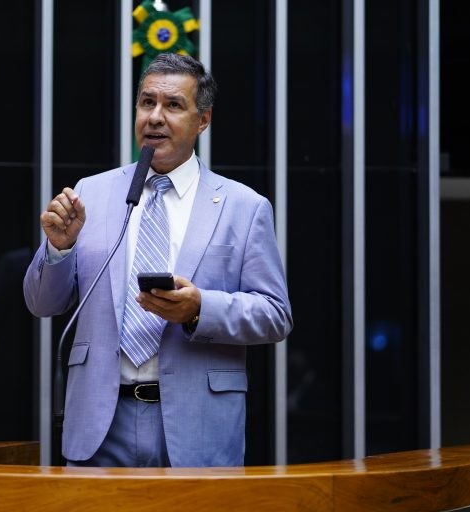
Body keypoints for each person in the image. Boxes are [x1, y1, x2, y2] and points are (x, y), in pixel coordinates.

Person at [23, 53, 292, 468]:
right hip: (100, 425)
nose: (155, 117)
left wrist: (200, 308)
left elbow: (275, 315)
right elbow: (42, 304)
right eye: (147, 103)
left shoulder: (243, 206)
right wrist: (58, 249)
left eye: (173, 106)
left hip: (197, 427)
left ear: (203, 120)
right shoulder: (90, 194)